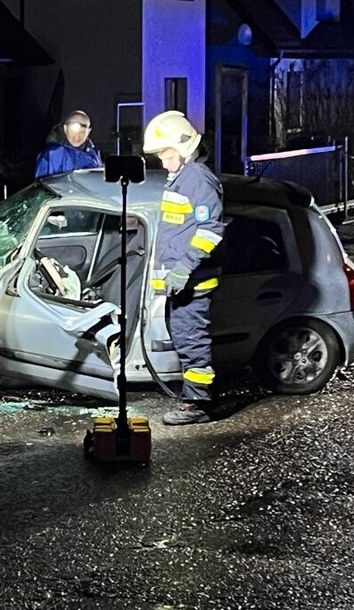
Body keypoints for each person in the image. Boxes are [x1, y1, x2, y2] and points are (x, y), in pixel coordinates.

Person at [143, 110, 224, 425]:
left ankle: (197, 405)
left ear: (185, 147)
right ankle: (194, 397)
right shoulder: (180, 179)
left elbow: (210, 231)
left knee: (192, 339)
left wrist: (183, 270)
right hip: (181, 281)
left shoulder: (198, 179)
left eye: (166, 153)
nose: (162, 160)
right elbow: (175, 232)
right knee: (184, 337)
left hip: (193, 281)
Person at [35, 110, 103, 178]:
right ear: (65, 128)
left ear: (88, 131)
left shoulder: (94, 155)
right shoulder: (52, 154)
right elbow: (43, 185)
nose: (77, 136)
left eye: (82, 132)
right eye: (73, 131)